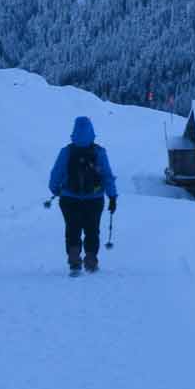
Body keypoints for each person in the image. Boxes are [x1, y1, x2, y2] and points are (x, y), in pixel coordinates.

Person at [47, 116, 118, 274]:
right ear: (92, 132)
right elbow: (107, 175)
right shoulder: (99, 152)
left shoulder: (66, 151)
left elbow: (55, 174)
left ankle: (74, 261)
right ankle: (91, 261)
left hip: (69, 198)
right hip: (94, 199)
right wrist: (112, 197)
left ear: (73, 131)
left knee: (72, 229)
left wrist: (55, 190)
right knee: (92, 230)